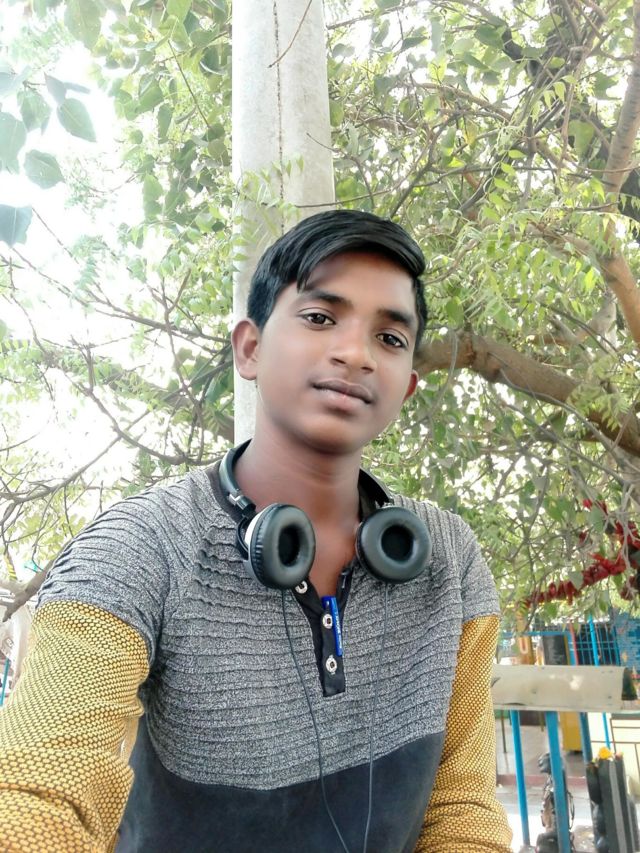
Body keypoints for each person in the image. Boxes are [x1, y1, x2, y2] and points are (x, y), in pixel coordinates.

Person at [0, 210, 512, 852]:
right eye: (320, 317)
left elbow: (462, 807)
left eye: (388, 337)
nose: (355, 354)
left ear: (406, 386)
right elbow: (39, 794)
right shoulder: (138, 548)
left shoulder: (449, 559)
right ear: (250, 348)